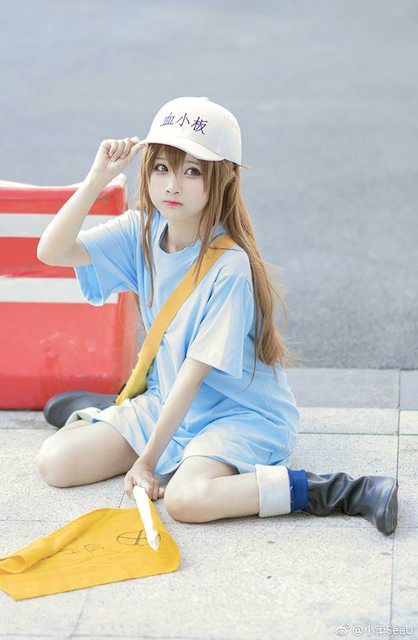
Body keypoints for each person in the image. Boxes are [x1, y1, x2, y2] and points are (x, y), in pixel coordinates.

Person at [36, 96, 398, 535]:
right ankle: (111, 410)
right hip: (168, 399)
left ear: (222, 180)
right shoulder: (141, 231)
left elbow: (193, 375)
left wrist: (147, 461)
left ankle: (339, 490)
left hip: (236, 415)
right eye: (161, 168)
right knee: (55, 463)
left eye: (192, 172)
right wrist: (98, 177)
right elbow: (51, 251)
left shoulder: (230, 267)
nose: (172, 186)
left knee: (187, 500)